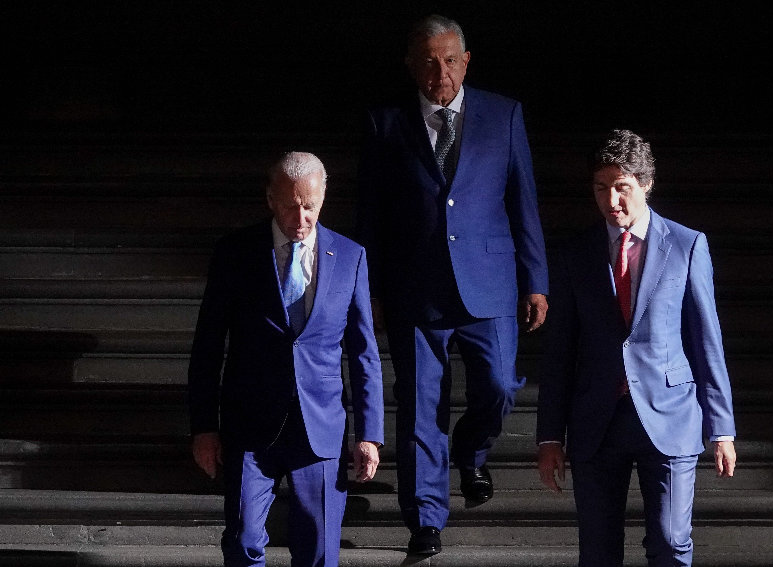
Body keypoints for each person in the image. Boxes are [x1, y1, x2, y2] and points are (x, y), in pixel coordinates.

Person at [356, 13, 549, 556]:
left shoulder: (503, 115)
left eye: (448, 59)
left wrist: (536, 279)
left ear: (465, 62)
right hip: (414, 287)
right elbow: (369, 216)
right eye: (427, 60)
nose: (438, 70)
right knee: (420, 404)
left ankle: (470, 452)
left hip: (488, 282)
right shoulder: (385, 123)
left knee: (501, 386)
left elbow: (523, 202)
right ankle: (425, 520)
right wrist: (365, 289)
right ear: (411, 66)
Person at [536, 129, 737, 566]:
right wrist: (550, 436)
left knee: (669, 543)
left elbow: (707, 340)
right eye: (601, 188)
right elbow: (559, 351)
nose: (612, 201)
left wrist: (721, 428)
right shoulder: (575, 254)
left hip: (670, 415)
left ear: (645, 184)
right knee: (598, 551)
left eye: (622, 187)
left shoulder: (686, 245)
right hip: (596, 420)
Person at [188, 152, 384, 567]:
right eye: (290, 205)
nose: (300, 218)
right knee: (242, 542)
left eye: (309, 206)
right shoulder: (236, 253)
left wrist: (370, 434)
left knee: (317, 551)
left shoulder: (350, 257)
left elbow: (364, 352)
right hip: (250, 426)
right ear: (270, 199)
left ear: (324, 197)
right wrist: (204, 426)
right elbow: (207, 345)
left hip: (320, 428)